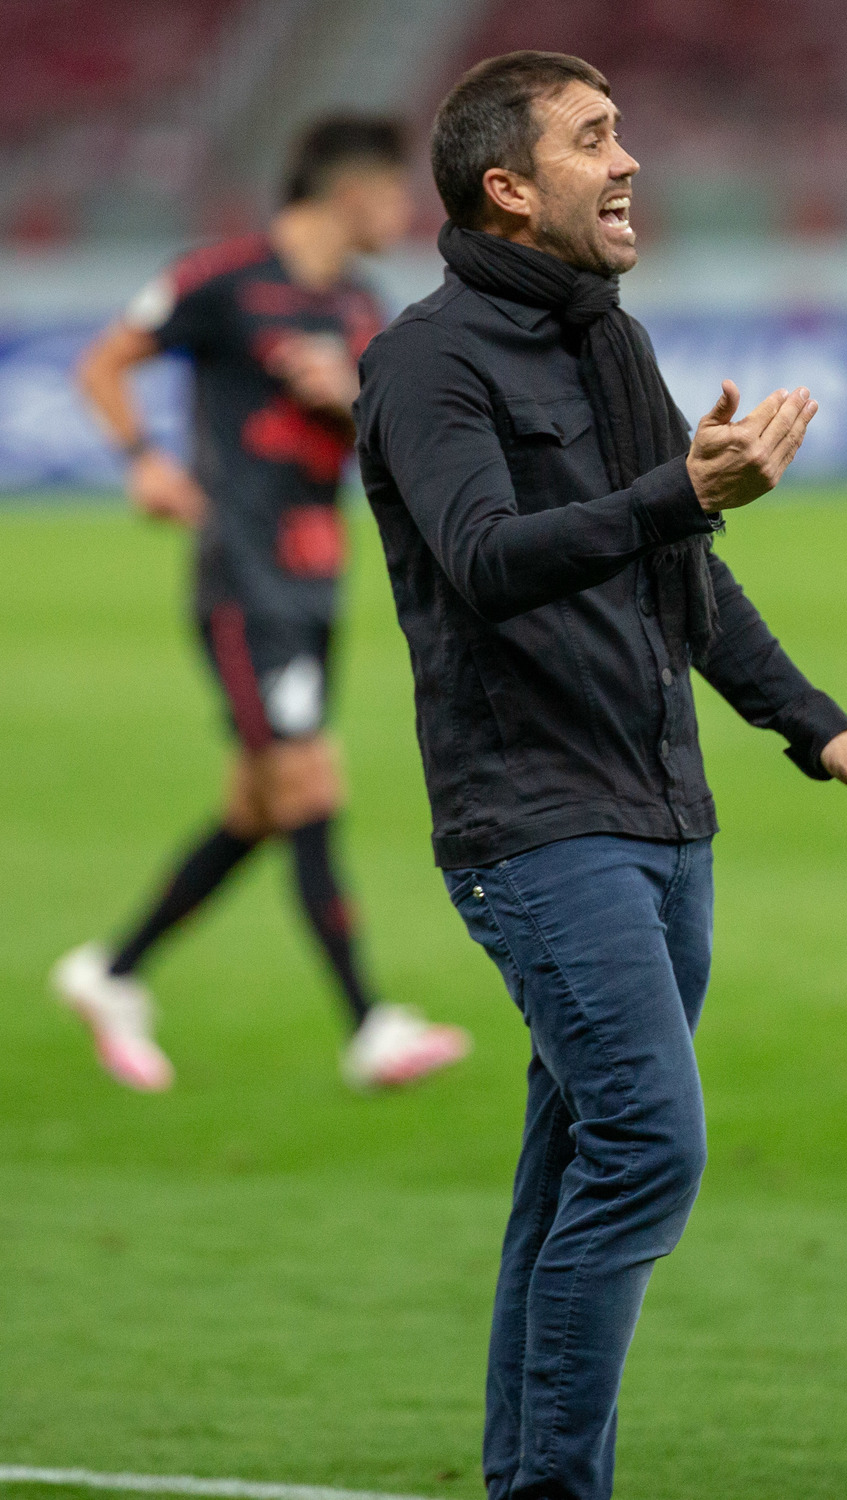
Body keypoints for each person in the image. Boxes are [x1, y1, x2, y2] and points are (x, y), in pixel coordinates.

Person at [354, 51, 847, 1500]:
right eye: (594, 138)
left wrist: (817, 726)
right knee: (650, 1144)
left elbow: (682, 575)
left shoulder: (611, 341)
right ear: (508, 187)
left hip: (666, 815)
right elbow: (485, 560)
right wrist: (680, 488)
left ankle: (530, 1480)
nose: (629, 162)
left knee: (575, 1166)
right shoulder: (426, 361)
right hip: (536, 822)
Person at [52, 115, 471, 1094]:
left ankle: (112, 974)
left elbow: (388, 444)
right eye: (396, 193)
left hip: (317, 580)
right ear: (352, 192)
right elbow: (103, 363)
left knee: (259, 804)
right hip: (243, 584)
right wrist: (143, 462)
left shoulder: (362, 306)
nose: (406, 213)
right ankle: (368, 1024)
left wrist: (350, 401)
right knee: (309, 784)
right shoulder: (222, 279)